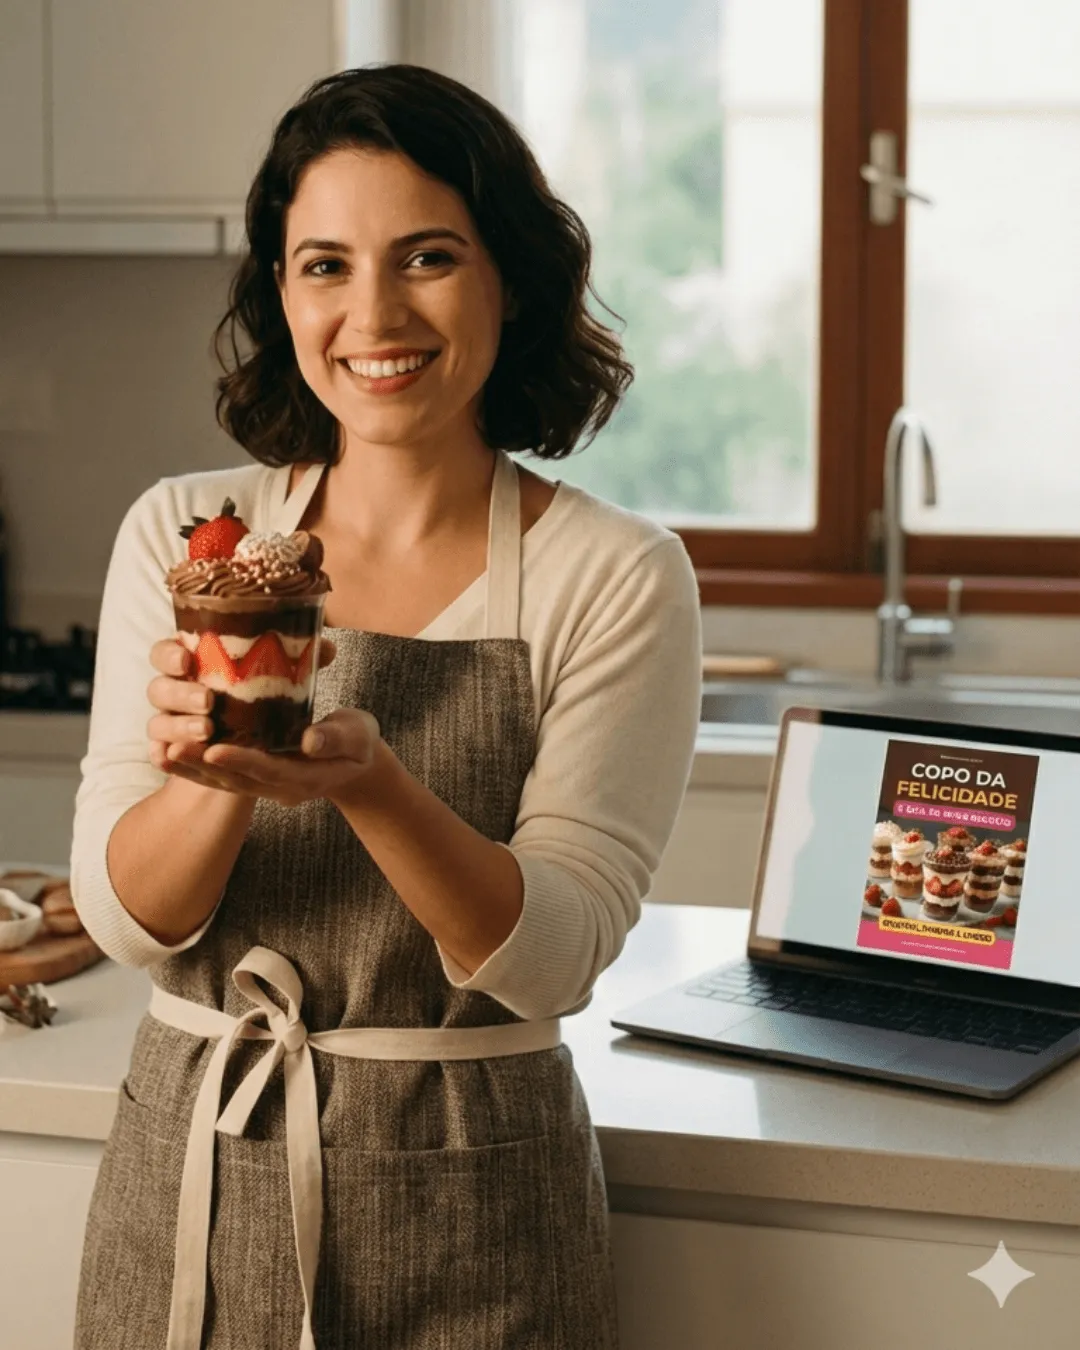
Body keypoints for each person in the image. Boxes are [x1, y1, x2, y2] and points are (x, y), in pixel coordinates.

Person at [71, 63, 702, 1350]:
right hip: (190, 1173)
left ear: (508, 278)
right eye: (326, 265)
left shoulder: (614, 574)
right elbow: (128, 921)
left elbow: (559, 955)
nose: (375, 312)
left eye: (427, 256)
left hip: (483, 1205)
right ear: (282, 293)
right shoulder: (190, 540)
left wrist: (372, 785)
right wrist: (219, 771)